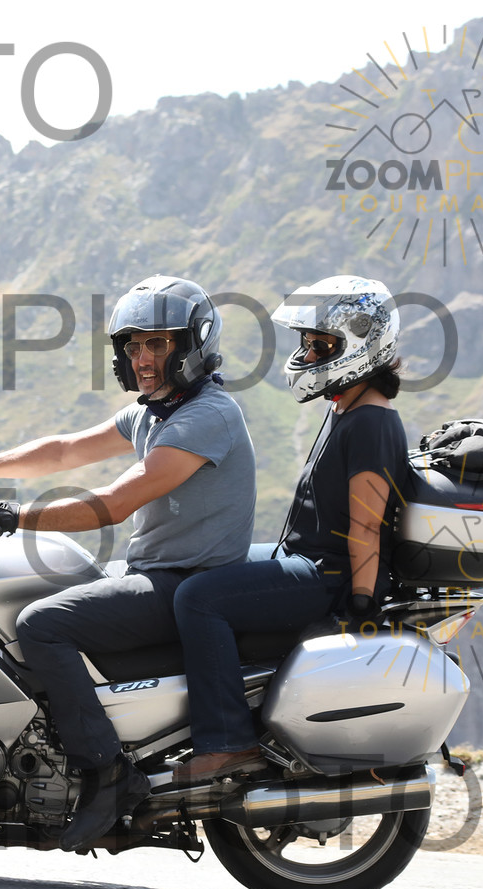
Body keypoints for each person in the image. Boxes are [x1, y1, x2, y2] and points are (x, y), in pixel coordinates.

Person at [0, 275, 256, 850]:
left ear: (193, 343)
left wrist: (10, 515)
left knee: (42, 623)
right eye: (132, 346)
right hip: (156, 575)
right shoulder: (154, 414)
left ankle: (108, 776)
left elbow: (112, 505)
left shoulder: (205, 417)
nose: (142, 359)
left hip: (186, 585)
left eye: (156, 343)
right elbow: (65, 450)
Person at [170, 275, 409, 785]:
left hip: (328, 573)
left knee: (199, 598)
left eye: (322, 345)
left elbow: (367, 522)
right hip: (307, 560)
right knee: (207, 568)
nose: (308, 355)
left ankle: (228, 742)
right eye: (307, 343)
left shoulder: (371, 421)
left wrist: (361, 604)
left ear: (361, 346)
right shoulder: (348, 408)